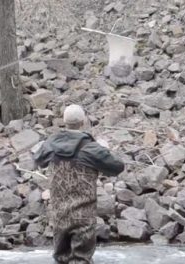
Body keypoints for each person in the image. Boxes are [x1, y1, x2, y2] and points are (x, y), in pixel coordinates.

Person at [33, 104, 125, 264]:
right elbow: (117, 167)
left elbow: (38, 160)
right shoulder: (91, 148)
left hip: (60, 216)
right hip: (83, 217)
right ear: (83, 121)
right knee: (81, 260)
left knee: (60, 259)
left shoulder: (50, 145)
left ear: (64, 121)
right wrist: (104, 150)